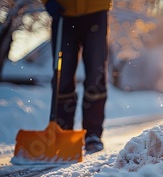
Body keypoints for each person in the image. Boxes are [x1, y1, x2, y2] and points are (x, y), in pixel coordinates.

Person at [43, 0, 112, 152]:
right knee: (63, 75)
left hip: (96, 10)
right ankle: (62, 132)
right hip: (63, 13)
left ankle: (92, 133)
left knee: (96, 73)